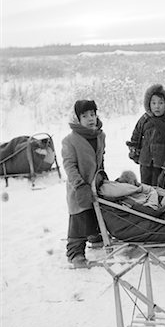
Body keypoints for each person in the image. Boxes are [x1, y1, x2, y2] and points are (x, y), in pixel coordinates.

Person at [61, 100, 106, 268]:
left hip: (95, 183)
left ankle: (95, 236)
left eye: (93, 114)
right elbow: (69, 166)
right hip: (78, 186)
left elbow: (101, 159)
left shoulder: (100, 135)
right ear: (78, 118)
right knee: (79, 217)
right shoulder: (70, 140)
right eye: (85, 116)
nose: (90, 119)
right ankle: (75, 253)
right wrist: (79, 185)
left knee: (96, 212)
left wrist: (102, 175)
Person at [127, 84, 165, 186]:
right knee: (146, 187)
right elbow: (136, 136)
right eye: (154, 103)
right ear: (149, 104)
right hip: (145, 161)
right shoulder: (144, 119)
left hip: (163, 162)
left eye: (161, 103)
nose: (157, 106)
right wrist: (134, 151)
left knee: (161, 187)